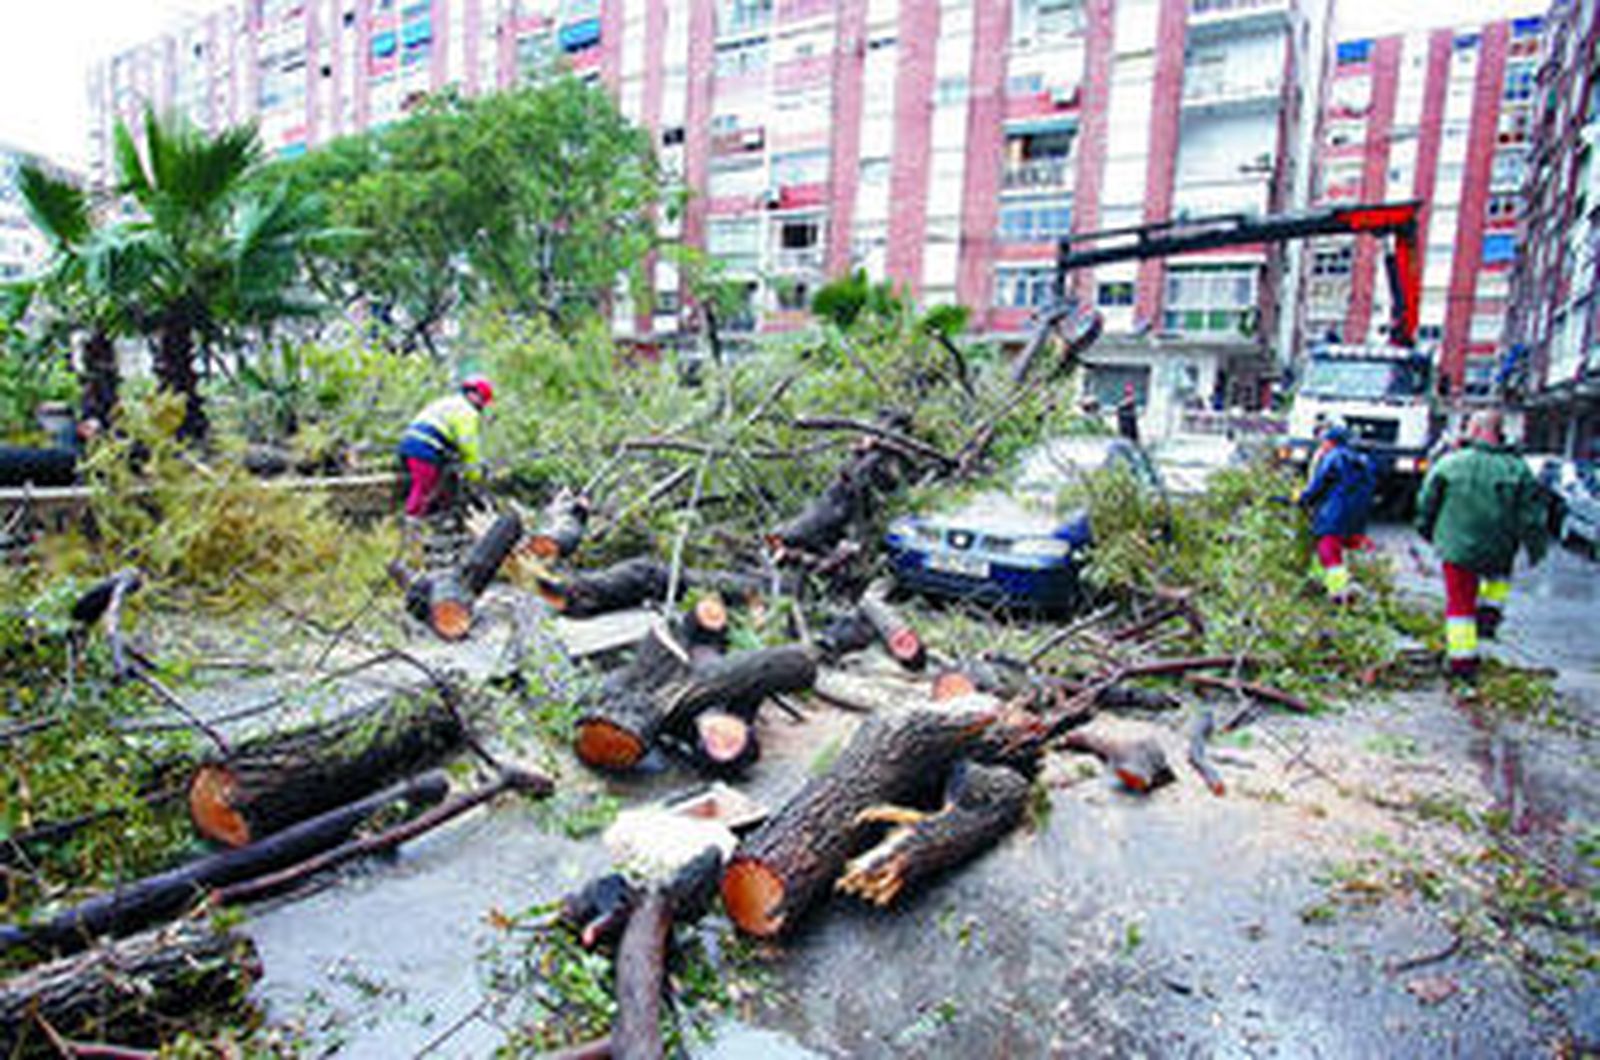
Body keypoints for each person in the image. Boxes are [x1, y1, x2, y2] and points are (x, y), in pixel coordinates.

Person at [1414, 409, 1548, 680]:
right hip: (1499, 548)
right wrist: (1535, 549)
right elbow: (1532, 517)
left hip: (1457, 549)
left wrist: (1428, 533)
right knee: (1497, 577)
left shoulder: (1451, 463)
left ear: (1475, 430)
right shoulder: (1519, 469)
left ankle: (1462, 662)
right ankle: (1489, 613)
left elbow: (1427, 502)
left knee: (1460, 605)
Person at [1296, 419, 1375, 602]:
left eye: (1324, 441)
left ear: (1331, 442)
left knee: (1328, 551)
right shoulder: (1361, 461)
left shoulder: (1333, 457)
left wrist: (1302, 499)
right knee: (1330, 549)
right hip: (1356, 517)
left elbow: (1319, 485)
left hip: (1333, 513)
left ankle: (1338, 593)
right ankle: (1318, 583)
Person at [397, 376, 494, 519]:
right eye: (483, 401)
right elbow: (468, 447)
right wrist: (474, 475)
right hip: (424, 448)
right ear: (474, 395)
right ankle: (413, 521)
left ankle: (434, 517)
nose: (482, 406)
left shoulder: (450, 402)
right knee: (425, 486)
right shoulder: (467, 412)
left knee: (437, 484)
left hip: (411, 443)